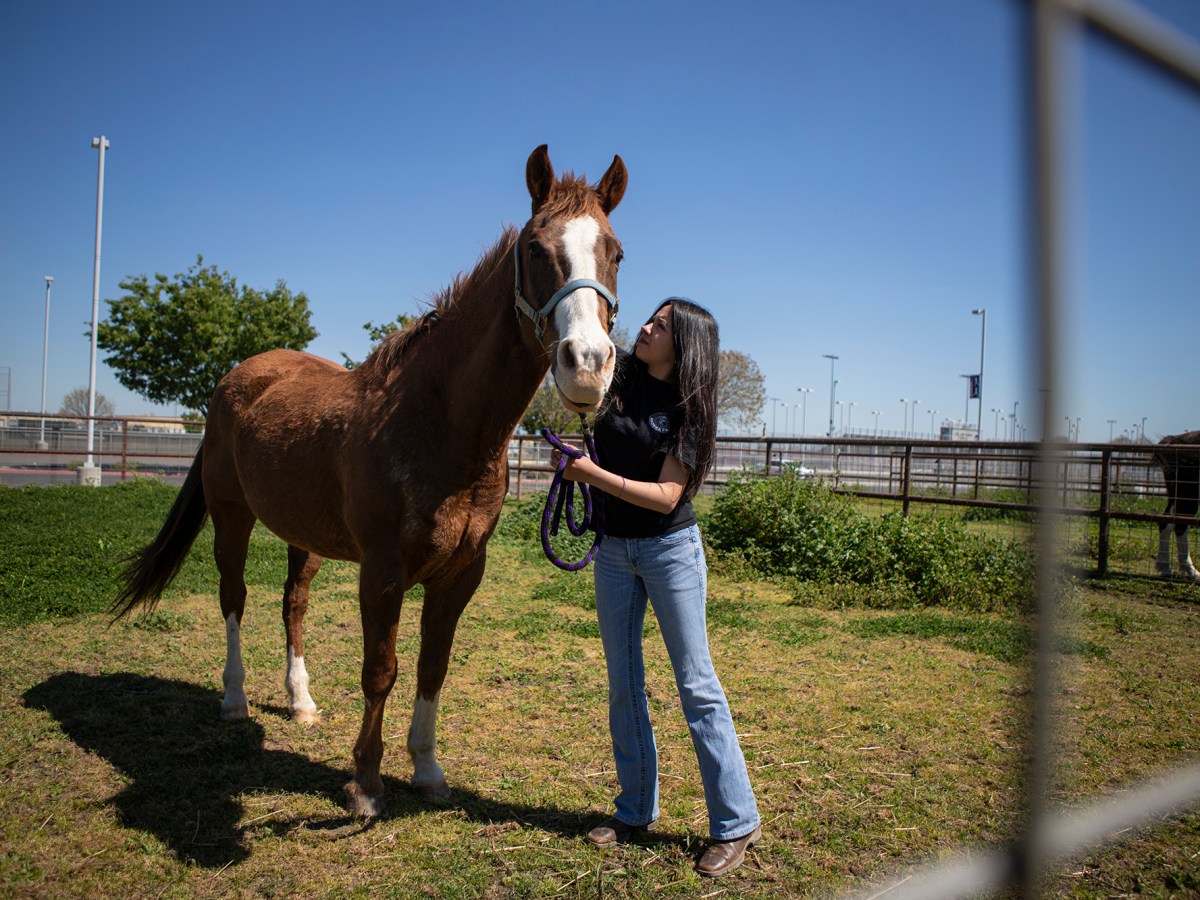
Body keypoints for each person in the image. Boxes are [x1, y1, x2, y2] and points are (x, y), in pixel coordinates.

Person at [552, 298, 761, 878]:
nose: (645, 327)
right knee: (624, 684)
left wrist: (590, 476)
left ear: (685, 342)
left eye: (660, 326)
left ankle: (735, 821)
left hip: (670, 551)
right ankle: (634, 809)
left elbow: (669, 497)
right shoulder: (619, 376)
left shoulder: (691, 409)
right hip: (613, 551)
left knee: (696, 685)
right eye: (649, 319)